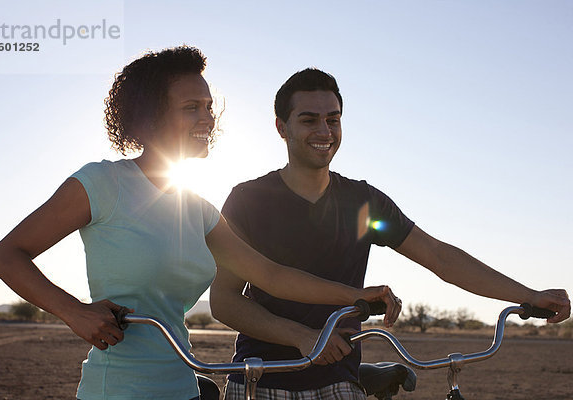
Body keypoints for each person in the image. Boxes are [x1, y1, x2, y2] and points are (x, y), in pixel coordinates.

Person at [0, 48, 401, 400]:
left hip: (183, 387)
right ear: (149, 116)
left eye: (208, 106)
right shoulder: (102, 183)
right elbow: (7, 255)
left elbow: (270, 275)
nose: (207, 117)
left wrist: (356, 294)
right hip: (118, 389)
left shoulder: (197, 207)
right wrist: (73, 312)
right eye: (191, 108)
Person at [209, 68, 571, 399]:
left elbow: (439, 256)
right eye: (309, 120)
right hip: (260, 379)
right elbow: (224, 300)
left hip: (338, 382)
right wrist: (301, 337)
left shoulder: (364, 205)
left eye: (333, 120)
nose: (324, 131)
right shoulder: (249, 200)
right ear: (281, 127)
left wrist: (529, 294)